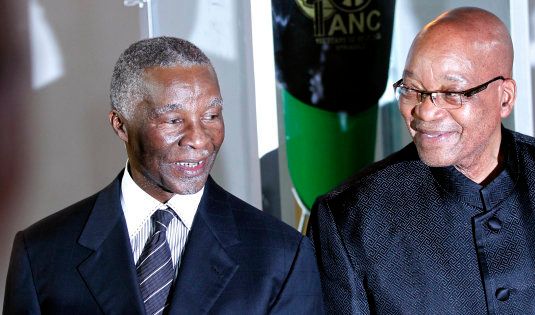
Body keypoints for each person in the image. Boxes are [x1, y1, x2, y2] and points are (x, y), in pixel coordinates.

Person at [309, 7, 535, 314]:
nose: (425, 110)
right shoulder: (350, 219)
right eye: (412, 89)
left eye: (452, 92)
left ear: (505, 98)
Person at [4, 37, 324, 314]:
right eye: (173, 120)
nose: (199, 138)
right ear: (120, 125)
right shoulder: (42, 252)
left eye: (211, 115)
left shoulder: (281, 255)